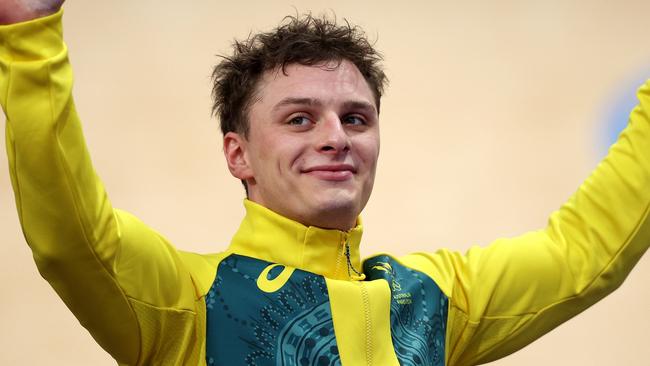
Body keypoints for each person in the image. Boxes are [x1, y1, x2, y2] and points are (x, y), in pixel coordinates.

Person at [1, 1, 648, 365]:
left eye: (356, 117)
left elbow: (584, 254)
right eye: (299, 118)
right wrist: (30, 44)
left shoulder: (428, 300)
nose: (336, 136)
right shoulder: (187, 303)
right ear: (239, 155)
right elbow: (72, 237)